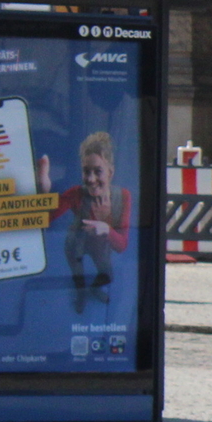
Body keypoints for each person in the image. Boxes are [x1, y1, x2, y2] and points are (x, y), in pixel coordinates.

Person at [56, 132, 131, 313]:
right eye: (86, 171)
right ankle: (81, 295)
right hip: (76, 243)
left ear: (110, 172)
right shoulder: (76, 193)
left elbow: (121, 246)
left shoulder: (122, 197)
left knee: (108, 275)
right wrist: (42, 193)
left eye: (98, 171)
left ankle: (94, 289)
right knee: (78, 278)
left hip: (99, 246)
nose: (90, 179)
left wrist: (105, 228)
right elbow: (47, 216)